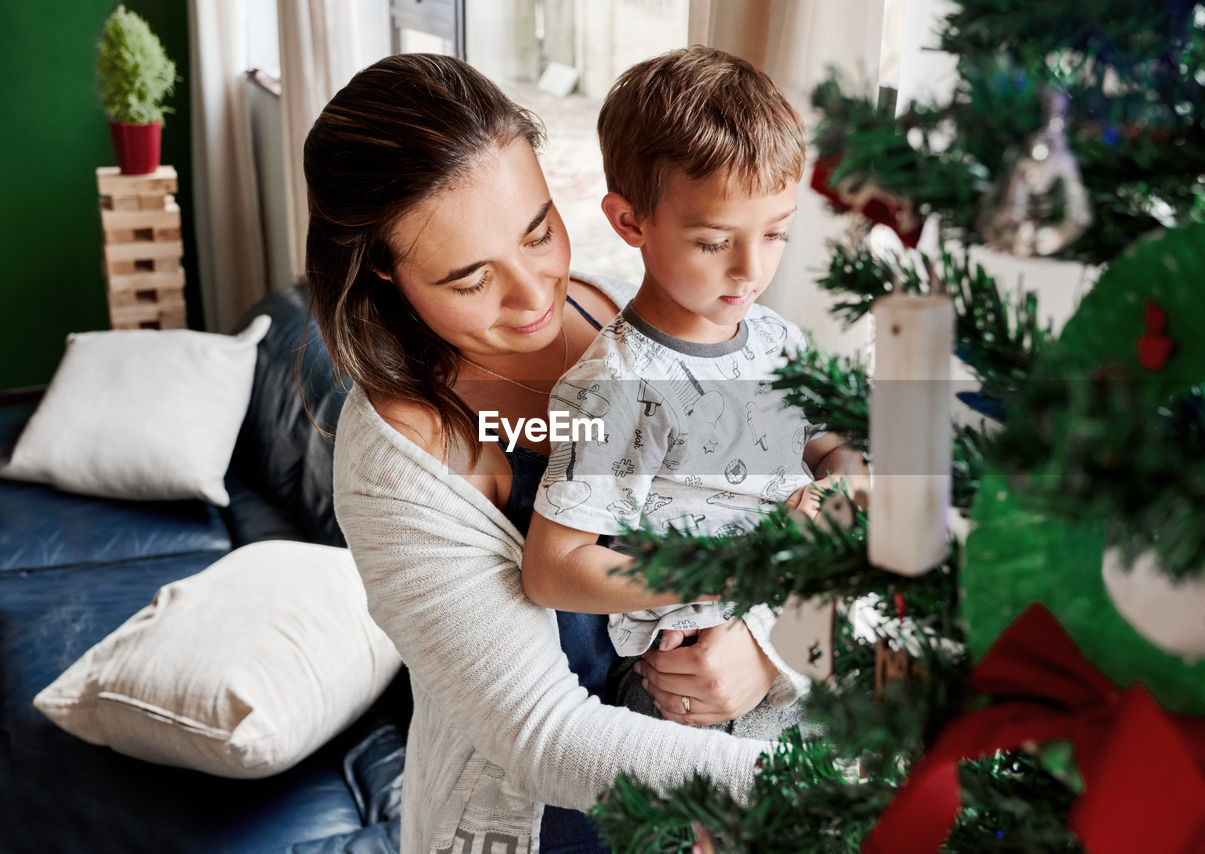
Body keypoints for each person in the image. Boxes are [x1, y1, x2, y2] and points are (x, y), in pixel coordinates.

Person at [305, 53, 809, 854]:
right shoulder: (399, 459)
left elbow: (772, 497)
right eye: (471, 280)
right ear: (386, 277)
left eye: (539, 231)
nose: (538, 294)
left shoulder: (622, 316)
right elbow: (542, 736)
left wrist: (765, 651)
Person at [521, 47, 866, 738]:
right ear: (630, 222)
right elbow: (552, 570)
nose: (752, 269)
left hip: (801, 634)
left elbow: (839, 454)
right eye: (714, 242)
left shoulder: (774, 340)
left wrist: (831, 503)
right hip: (692, 688)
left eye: (775, 234)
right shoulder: (617, 387)